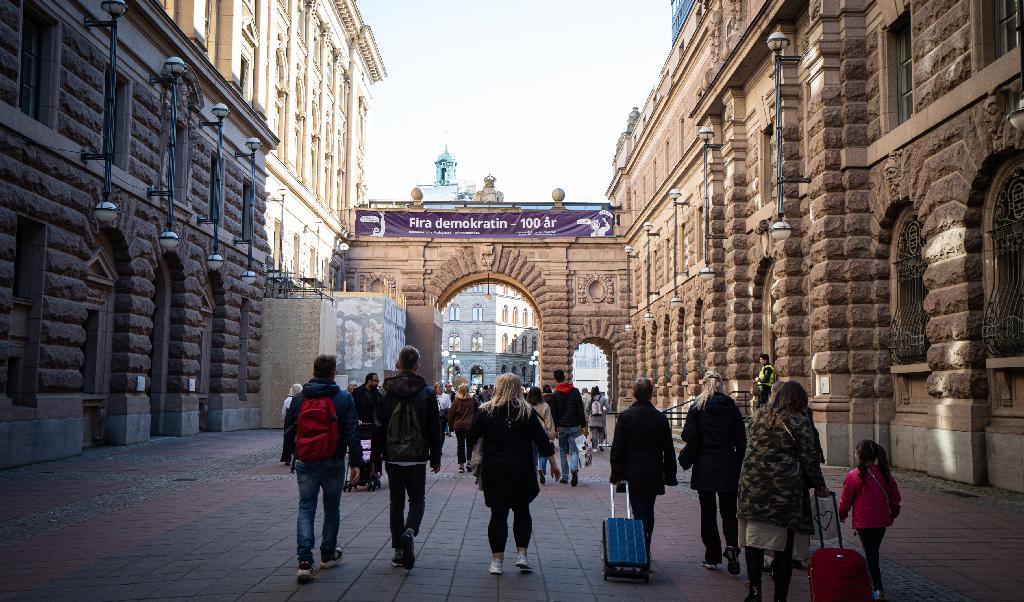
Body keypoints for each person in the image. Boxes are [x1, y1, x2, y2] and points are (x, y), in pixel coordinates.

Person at [738, 381, 828, 602]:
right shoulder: (799, 421)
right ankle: (779, 597)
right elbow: (809, 459)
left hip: (752, 487)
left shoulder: (758, 417)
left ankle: (755, 591)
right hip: (783, 490)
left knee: (754, 540)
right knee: (782, 547)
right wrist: (819, 485)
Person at [467, 373, 560, 575]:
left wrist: (471, 458)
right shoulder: (527, 412)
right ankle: (522, 556)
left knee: (498, 514)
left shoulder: (486, 411)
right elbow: (543, 442)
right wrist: (553, 464)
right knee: (522, 511)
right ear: (518, 388)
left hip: (495, 470)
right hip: (522, 470)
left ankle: (497, 562)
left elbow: (470, 436)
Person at [282, 355, 362, 583]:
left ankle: (305, 562)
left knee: (306, 508)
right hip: (333, 460)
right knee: (331, 507)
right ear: (333, 373)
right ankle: (327, 553)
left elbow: (289, 429)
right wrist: (356, 462)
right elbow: (352, 432)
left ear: (314, 371)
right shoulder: (344, 398)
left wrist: (292, 454)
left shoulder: (299, 398)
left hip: (306, 460)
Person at [372, 346, 442, 570]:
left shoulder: (384, 391)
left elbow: (377, 427)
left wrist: (375, 459)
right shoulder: (427, 392)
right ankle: (410, 531)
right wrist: (436, 456)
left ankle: (399, 550)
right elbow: (434, 427)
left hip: (392, 456)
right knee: (417, 500)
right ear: (417, 365)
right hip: (417, 454)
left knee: (396, 502)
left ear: (398, 363)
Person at [682, 371, 746, 574]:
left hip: (705, 465)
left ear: (705, 385)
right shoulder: (732, 408)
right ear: (721, 385)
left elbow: (687, 435)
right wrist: (737, 461)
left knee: (707, 512)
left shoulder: (697, 407)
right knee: (729, 512)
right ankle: (733, 548)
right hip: (728, 464)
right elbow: (741, 440)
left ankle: (712, 555)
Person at [609, 377, 677, 559]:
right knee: (648, 509)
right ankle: (645, 547)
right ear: (651, 394)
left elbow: (617, 448)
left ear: (634, 393)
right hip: (654, 471)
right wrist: (670, 474)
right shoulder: (660, 418)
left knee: (639, 510)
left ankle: (641, 551)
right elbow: (668, 449)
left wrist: (616, 473)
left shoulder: (625, 417)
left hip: (632, 472)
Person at [839, 440, 901, 601]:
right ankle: (872, 583)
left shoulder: (853, 475)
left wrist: (842, 514)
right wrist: (893, 514)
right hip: (881, 521)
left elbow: (846, 499)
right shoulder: (885, 474)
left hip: (864, 522)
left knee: (872, 553)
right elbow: (895, 498)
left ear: (859, 455)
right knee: (873, 551)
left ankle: (878, 589)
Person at [549, 369, 586, 486]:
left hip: (562, 426)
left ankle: (565, 477)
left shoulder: (555, 394)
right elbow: (580, 409)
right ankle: (574, 468)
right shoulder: (575, 392)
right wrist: (583, 424)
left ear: (556, 379)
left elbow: (553, 413)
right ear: (565, 377)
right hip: (574, 424)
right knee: (575, 450)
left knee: (563, 451)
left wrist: (555, 428)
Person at [352, 373, 384, 477]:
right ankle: (360, 469)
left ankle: (375, 469)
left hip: (373, 425)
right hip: (361, 424)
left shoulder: (377, 393)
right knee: (361, 448)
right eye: (375, 380)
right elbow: (353, 408)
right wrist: (357, 419)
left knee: (375, 448)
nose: (377, 382)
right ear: (369, 381)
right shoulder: (357, 392)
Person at [526, 386, 556, 483]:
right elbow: (549, 421)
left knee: (532, 455)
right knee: (543, 452)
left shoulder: (526, 405)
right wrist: (551, 435)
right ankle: (542, 469)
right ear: (540, 394)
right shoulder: (545, 406)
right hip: (542, 433)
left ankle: (534, 474)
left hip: (529, 434)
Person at [449, 383, 478, 473]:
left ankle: (461, 466)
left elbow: (451, 415)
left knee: (460, 445)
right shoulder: (473, 401)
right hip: (470, 426)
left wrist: (450, 427)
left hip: (459, 426)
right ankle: (469, 463)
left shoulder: (456, 401)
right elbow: (477, 415)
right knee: (470, 445)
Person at [280, 383, 303, 464]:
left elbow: (284, 413)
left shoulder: (288, 400)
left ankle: (287, 458)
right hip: (297, 422)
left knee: (287, 440)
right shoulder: (301, 399)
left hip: (289, 422)